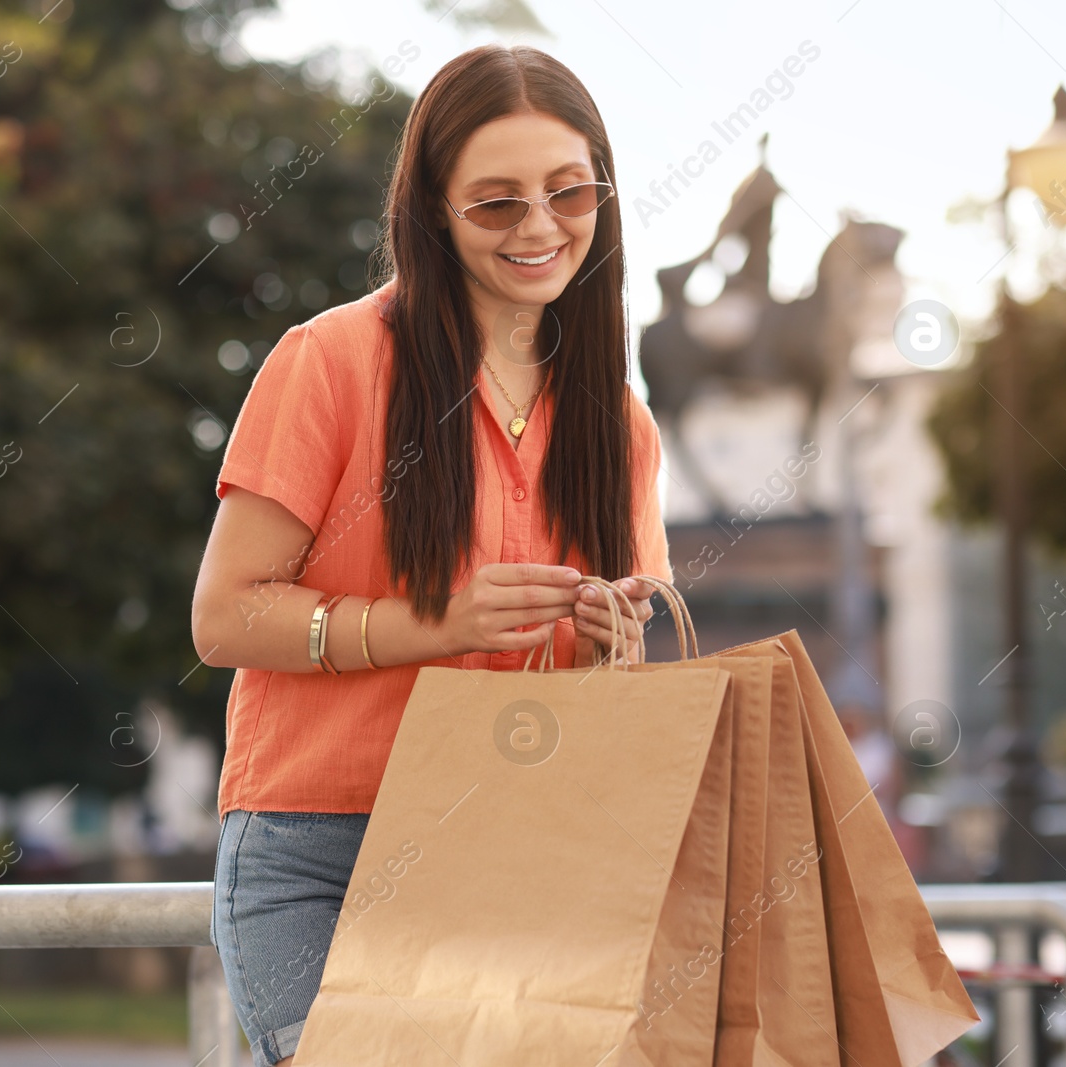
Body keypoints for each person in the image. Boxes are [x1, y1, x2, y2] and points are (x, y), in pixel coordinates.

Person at [188, 43, 673, 1067]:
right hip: (323, 847)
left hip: (523, 850)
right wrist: (434, 624)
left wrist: (608, 642)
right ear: (433, 212)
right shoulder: (329, 362)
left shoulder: (617, 422)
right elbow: (224, 614)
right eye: (496, 204)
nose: (541, 227)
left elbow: (629, 682)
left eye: (568, 191)